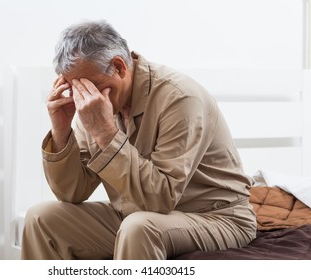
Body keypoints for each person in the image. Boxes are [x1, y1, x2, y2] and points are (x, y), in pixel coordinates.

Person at [21, 20, 257, 260]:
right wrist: (61, 131)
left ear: (119, 67)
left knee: (139, 227)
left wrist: (105, 134)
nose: (83, 98)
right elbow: (72, 193)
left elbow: (161, 198)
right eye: (74, 89)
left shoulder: (180, 97)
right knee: (41, 219)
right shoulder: (93, 103)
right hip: (135, 212)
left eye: (90, 87)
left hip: (216, 217)